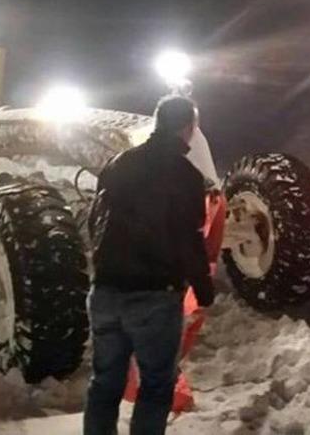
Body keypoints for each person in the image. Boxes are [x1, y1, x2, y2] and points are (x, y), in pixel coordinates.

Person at [84, 95, 215, 435]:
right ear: (188, 128)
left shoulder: (118, 163)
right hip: (153, 296)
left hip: (106, 292)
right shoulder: (185, 176)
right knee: (157, 386)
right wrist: (203, 287)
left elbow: (95, 220)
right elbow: (190, 238)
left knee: (104, 383)